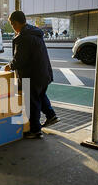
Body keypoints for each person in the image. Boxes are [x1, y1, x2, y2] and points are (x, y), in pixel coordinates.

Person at [4, 10, 59, 139]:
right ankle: (51, 115)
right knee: (40, 94)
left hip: (32, 75)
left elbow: (20, 59)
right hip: (44, 73)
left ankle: (35, 130)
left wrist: (10, 66)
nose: (13, 27)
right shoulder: (34, 32)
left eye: (12, 24)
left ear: (16, 23)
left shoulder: (23, 38)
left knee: (32, 102)